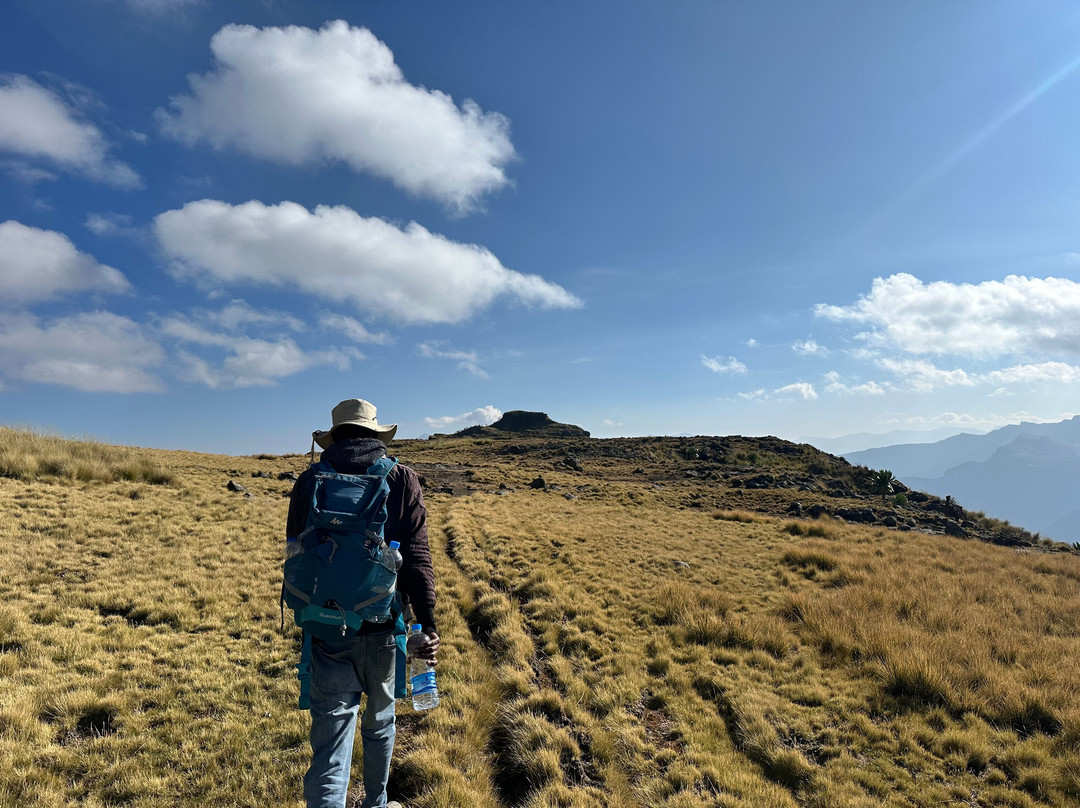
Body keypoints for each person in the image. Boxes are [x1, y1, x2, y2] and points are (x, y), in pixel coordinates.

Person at [286, 398, 439, 808]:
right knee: (379, 723)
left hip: (325, 626)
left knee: (332, 746)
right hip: (385, 627)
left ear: (334, 436)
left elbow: (295, 553)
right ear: (376, 435)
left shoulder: (309, 480)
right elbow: (418, 559)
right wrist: (427, 624)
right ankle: (376, 802)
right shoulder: (402, 478)